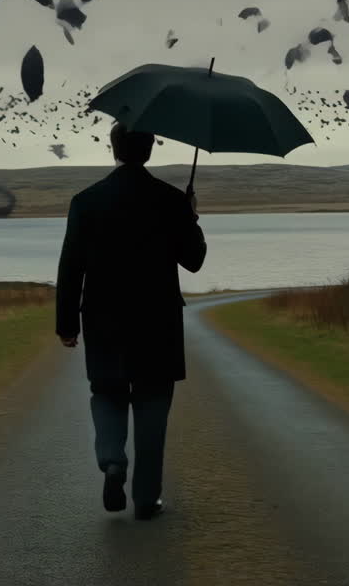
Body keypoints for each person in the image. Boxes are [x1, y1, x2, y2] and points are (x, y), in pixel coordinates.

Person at [55, 122, 207, 520]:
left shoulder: (86, 201)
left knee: (106, 392)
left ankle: (112, 460)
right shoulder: (170, 200)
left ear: (114, 149)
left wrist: (67, 325)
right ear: (149, 149)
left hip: (103, 319)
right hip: (158, 322)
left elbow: (70, 267)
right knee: (153, 403)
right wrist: (190, 216)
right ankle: (146, 498)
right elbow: (194, 260)